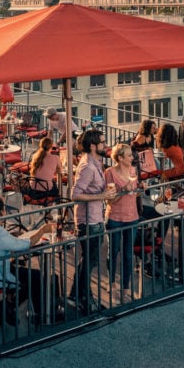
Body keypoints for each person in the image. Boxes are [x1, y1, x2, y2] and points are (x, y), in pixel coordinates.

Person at [0, 197, 58, 327]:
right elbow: (25, 245)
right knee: (36, 278)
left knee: (31, 275)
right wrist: (42, 230)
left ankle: (11, 304)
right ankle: (37, 314)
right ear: (1, 212)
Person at [69, 129, 115, 312]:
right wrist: (102, 195)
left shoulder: (96, 162)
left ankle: (77, 295)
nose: (105, 145)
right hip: (88, 221)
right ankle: (85, 299)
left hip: (94, 217)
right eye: (102, 142)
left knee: (88, 260)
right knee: (90, 261)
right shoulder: (87, 166)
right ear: (93, 146)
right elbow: (74, 194)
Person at [104, 143, 140, 301]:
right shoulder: (109, 173)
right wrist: (123, 191)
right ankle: (111, 282)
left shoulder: (133, 171)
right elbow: (110, 200)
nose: (133, 158)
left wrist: (140, 189)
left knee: (127, 255)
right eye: (129, 156)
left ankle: (125, 287)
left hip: (132, 216)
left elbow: (135, 194)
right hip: (115, 217)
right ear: (120, 158)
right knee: (113, 252)